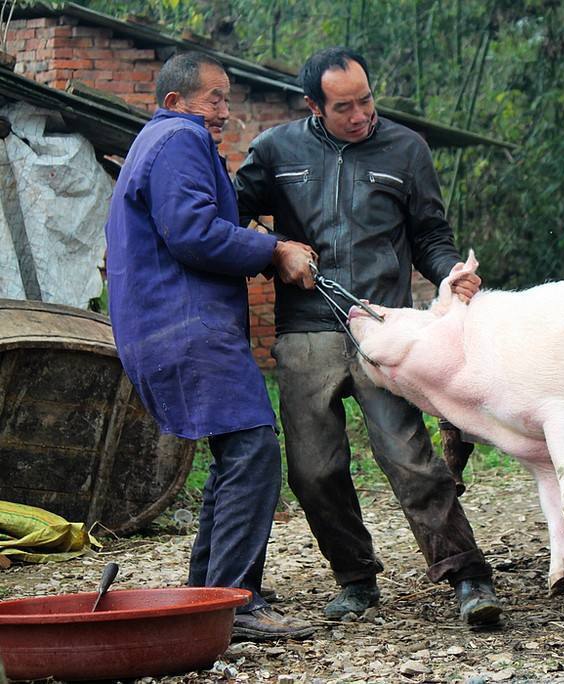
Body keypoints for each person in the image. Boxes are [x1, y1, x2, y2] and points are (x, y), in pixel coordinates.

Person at [234, 47, 502, 626]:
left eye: (367, 101)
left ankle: (467, 575)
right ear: (313, 106)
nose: (360, 116)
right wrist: (273, 250)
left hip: (383, 326)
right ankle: (355, 578)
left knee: (408, 455)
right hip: (305, 328)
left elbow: (430, 233)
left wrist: (452, 275)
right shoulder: (276, 150)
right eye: (344, 107)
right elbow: (228, 218)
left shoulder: (406, 148)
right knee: (313, 468)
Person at [104, 52, 318, 640]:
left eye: (226, 99)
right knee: (252, 448)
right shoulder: (178, 137)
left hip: (164, 325)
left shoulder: (156, 141)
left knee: (236, 452)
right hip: (186, 326)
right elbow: (192, 232)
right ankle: (238, 602)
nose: (224, 111)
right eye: (214, 99)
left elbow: (185, 224)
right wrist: (273, 250)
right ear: (175, 102)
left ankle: (210, 596)